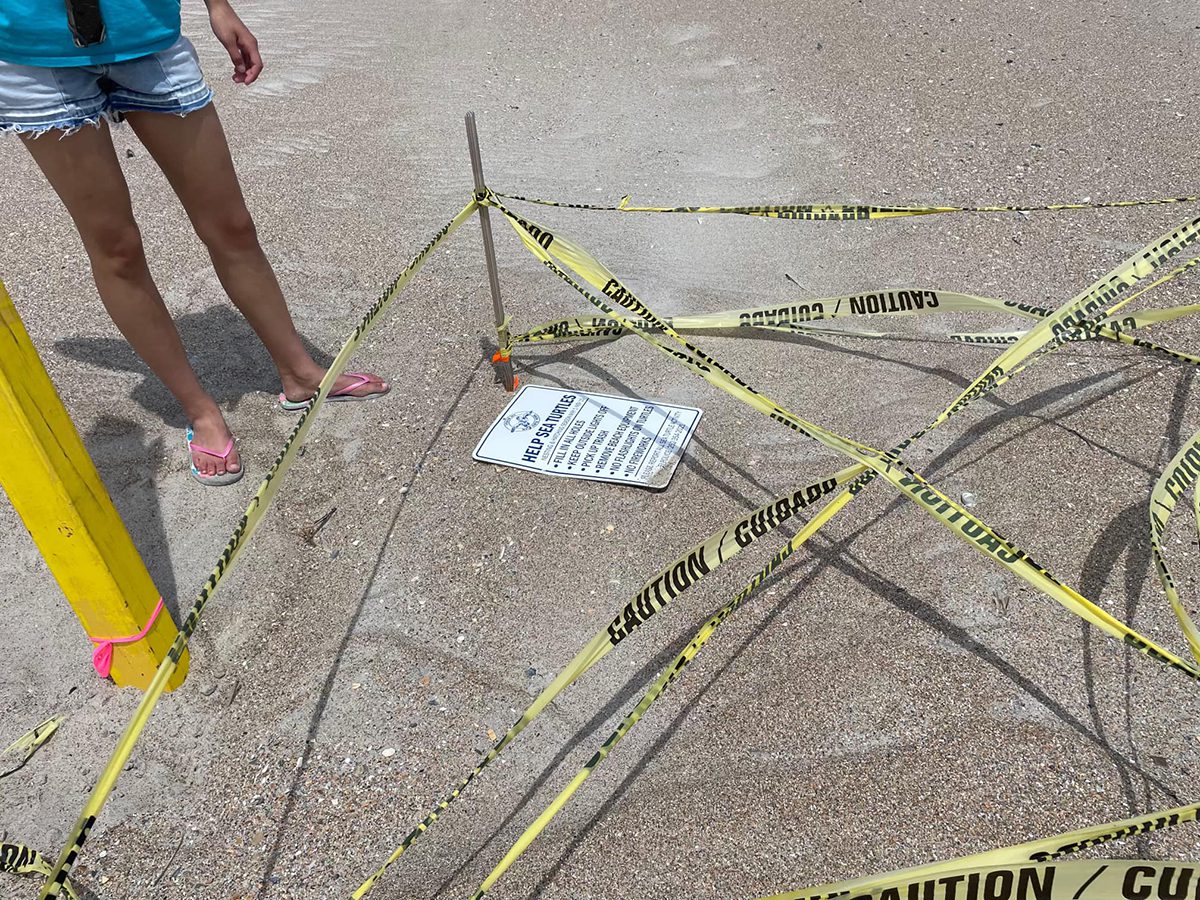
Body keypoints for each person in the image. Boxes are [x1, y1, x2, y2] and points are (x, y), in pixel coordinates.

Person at [0, 0, 388, 486]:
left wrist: (218, 5)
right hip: (31, 57)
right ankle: (200, 411)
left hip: (145, 32)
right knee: (115, 246)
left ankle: (300, 372)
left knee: (231, 224)